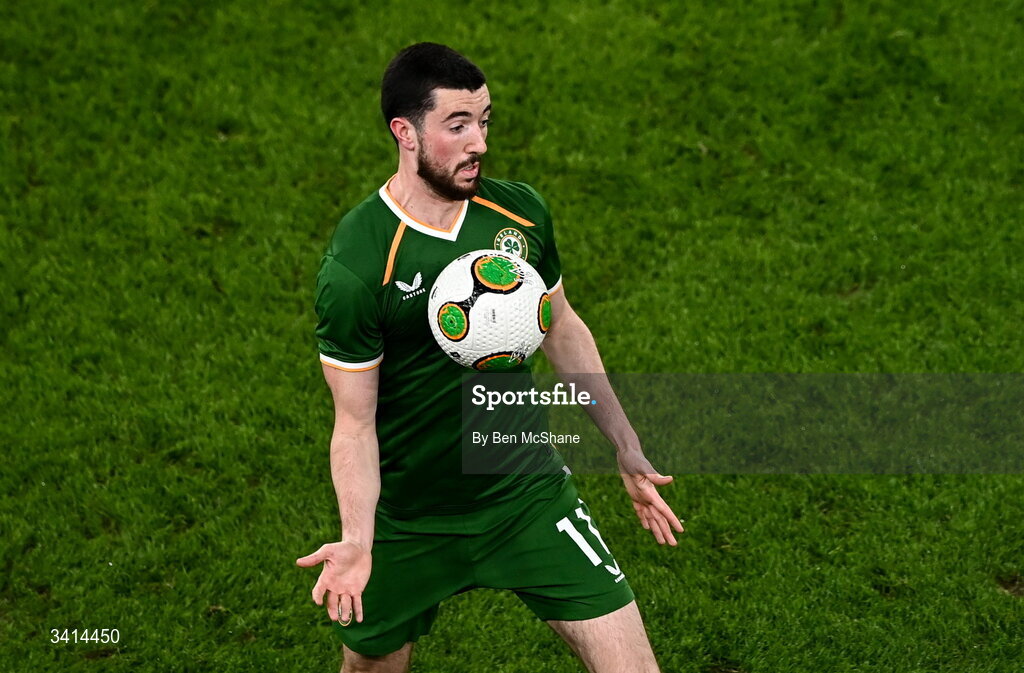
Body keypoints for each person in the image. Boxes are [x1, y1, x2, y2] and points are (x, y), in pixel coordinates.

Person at [296, 42, 684, 673]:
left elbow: (563, 329)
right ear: (406, 133)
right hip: (412, 519)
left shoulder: (518, 213)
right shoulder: (360, 262)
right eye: (457, 125)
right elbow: (355, 422)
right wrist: (359, 542)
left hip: (523, 494)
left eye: (485, 121)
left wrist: (624, 442)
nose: (479, 142)